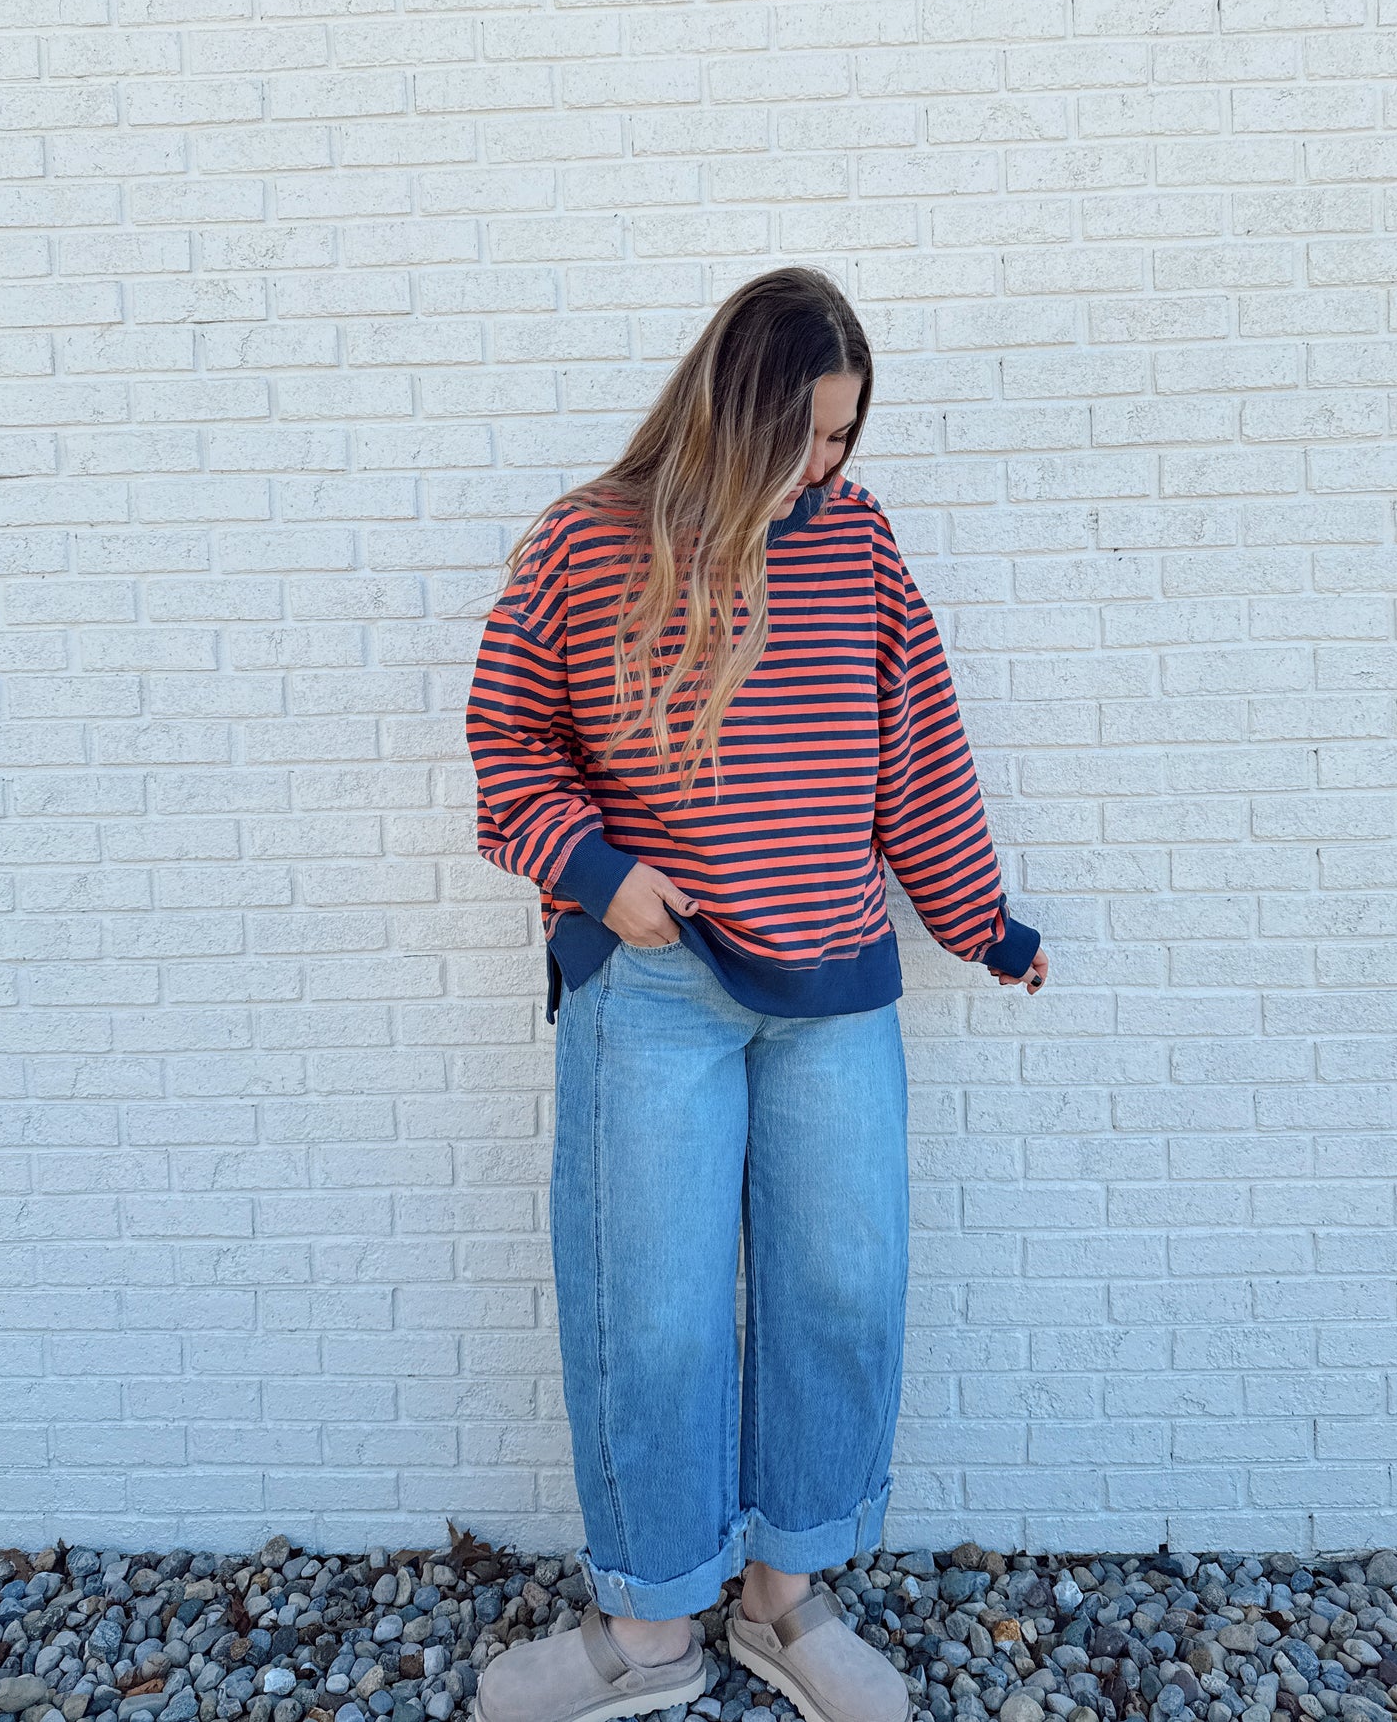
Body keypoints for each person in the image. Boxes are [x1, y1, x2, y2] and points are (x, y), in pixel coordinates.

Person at [463, 266, 1050, 1722]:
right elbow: (506, 744)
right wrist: (601, 880)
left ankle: (786, 1603)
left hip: (833, 992)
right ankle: (648, 1630)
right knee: (649, 1315)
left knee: (838, 1294)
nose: (823, 467)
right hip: (654, 995)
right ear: (729, 411)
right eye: (801, 436)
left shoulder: (857, 544)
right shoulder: (587, 544)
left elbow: (914, 746)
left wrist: (978, 923)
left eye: (844, 439)